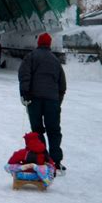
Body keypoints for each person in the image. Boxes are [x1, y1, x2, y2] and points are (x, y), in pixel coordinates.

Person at [18, 32, 67, 173]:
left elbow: (24, 75)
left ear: (38, 43)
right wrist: (58, 101)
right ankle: (56, 161)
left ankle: (42, 158)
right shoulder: (55, 61)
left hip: (35, 99)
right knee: (54, 131)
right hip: (52, 101)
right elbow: (62, 84)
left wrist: (25, 93)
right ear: (49, 44)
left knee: (37, 130)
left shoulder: (31, 57)